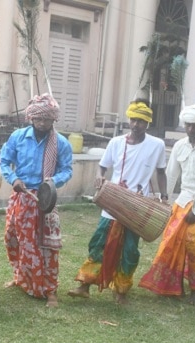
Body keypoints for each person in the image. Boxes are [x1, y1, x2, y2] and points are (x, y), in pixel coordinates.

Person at [68, 101, 167, 304]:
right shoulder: (116, 142)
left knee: (130, 249)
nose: (136, 124)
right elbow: (102, 167)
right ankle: (84, 285)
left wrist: (164, 197)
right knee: (99, 244)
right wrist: (99, 176)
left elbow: (161, 172)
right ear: (128, 120)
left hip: (137, 205)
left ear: (148, 123)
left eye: (141, 121)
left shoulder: (157, 145)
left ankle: (121, 290)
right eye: (133, 119)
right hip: (113, 202)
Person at [138, 104, 195, 305]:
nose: (190, 130)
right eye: (187, 125)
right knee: (170, 243)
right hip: (182, 202)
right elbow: (170, 176)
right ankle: (173, 285)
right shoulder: (180, 146)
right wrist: (163, 200)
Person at [0, 93, 73, 307]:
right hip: (21, 198)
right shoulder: (18, 137)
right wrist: (13, 179)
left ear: (53, 120)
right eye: (38, 119)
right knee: (14, 239)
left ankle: (50, 290)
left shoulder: (61, 144)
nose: (42, 123)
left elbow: (67, 170)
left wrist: (51, 183)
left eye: (46, 119)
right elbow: (4, 162)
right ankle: (21, 278)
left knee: (47, 245)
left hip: (45, 201)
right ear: (31, 118)